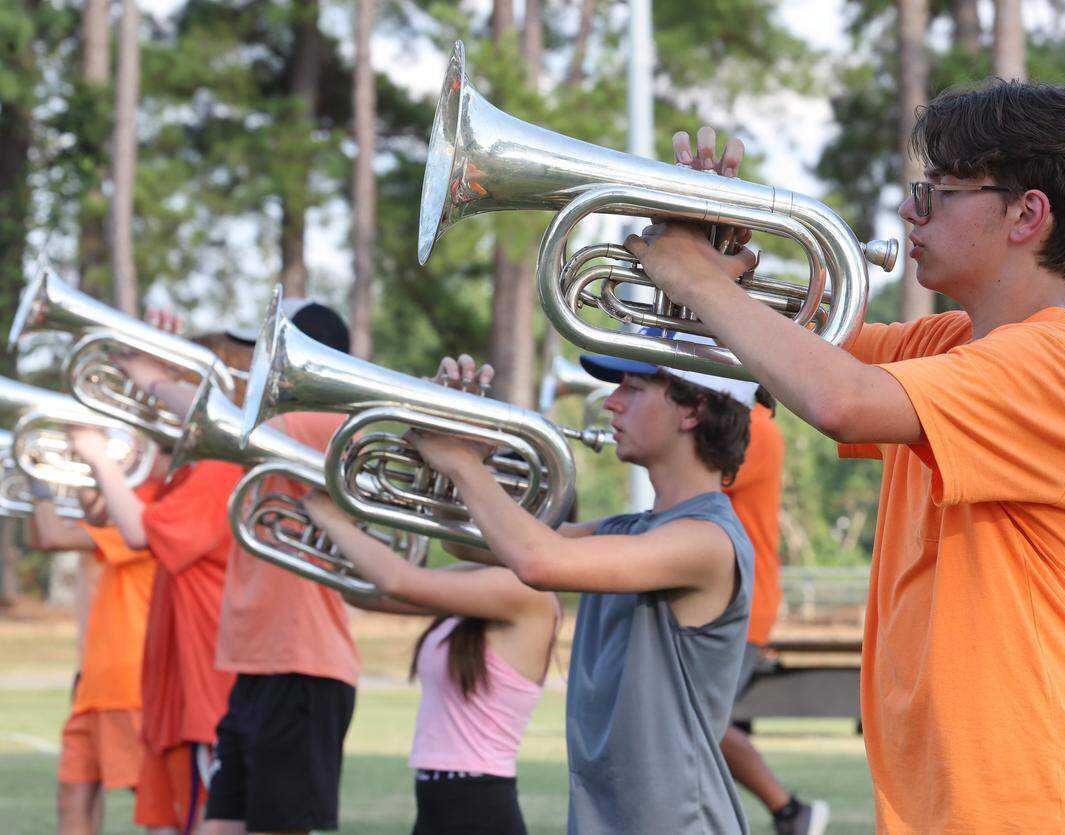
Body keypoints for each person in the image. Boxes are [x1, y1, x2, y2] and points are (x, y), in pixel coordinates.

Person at [624, 82, 1065, 830]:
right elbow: (791, 356)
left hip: (1039, 800)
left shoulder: (1062, 365)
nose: (911, 211)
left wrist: (698, 276)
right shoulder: (947, 345)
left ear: (1027, 214)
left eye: (937, 192)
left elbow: (840, 397)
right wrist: (715, 249)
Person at [405, 347, 757, 834]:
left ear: (693, 410)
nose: (611, 403)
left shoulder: (707, 539)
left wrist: (464, 465)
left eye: (632, 389)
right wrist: (450, 440)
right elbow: (467, 542)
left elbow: (537, 561)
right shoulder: (627, 530)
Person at [119, 301, 363, 835]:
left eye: (268, 353)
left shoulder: (321, 422)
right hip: (255, 667)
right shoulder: (279, 429)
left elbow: (225, 426)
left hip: (300, 666)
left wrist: (151, 376)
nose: (252, 368)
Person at [71, 333, 252, 835]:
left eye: (172, 386)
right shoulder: (185, 473)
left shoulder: (220, 468)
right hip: (173, 700)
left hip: (205, 699)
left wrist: (95, 452)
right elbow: (103, 507)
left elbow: (135, 528)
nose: (157, 398)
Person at [299, 491, 560, 835]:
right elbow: (366, 592)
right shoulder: (483, 576)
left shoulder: (526, 592)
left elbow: (399, 581)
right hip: (441, 798)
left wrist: (332, 520)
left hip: (477, 803)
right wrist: (336, 536)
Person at [720, 392, 829, 835]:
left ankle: (788, 809)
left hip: (742, 602)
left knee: (696, 720)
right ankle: (787, 812)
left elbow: (694, 474)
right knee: (694, 721)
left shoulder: (756, 430)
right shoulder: (746, 426)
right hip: (732, 597)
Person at [29, 478, 161, 835]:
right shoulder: (111, 527)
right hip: (94, 685)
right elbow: (41, 536)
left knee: (155, 803)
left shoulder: (142, 521)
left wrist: (38, 484)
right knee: (72, 794)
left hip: (128, 686)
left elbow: (53, 537)